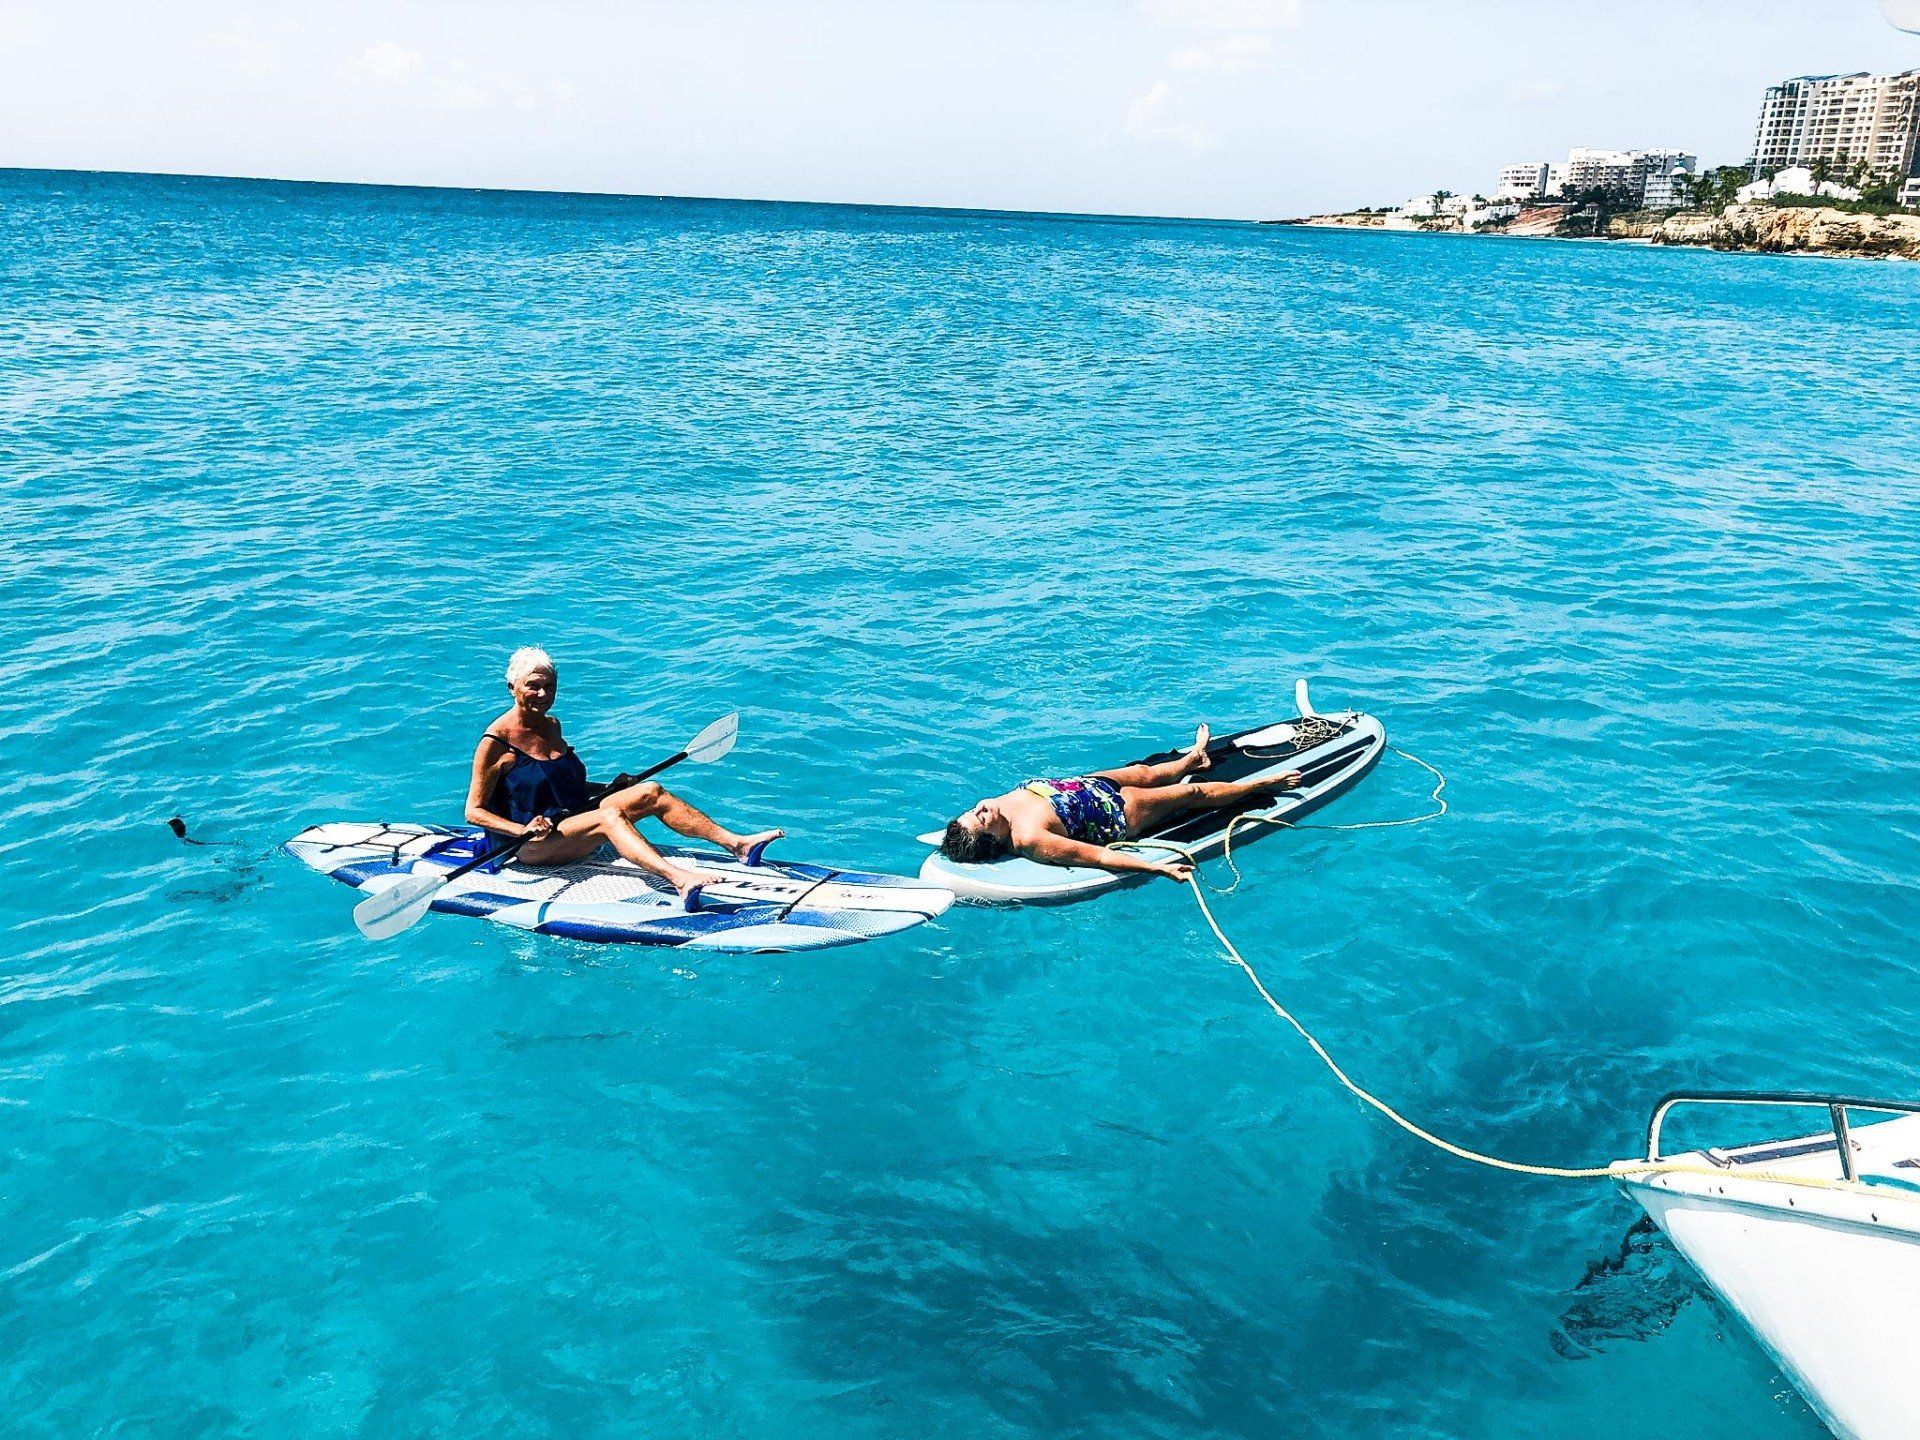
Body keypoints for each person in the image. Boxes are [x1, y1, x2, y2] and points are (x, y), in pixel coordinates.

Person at [465, 647, 782, 907]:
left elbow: (559, 785)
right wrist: (522, 829)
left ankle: (737, 844)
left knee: (651, 791)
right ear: (512, 688)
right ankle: (678, 879)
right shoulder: (495, 743)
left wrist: (609, 788)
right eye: (533, 685)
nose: (542, 693)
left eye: (549, 686)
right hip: (533, 845)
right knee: (609, 815)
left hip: (572, 821)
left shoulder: (552, 726)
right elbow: (474, 811)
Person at [939, 725, 1301, 883]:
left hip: (1083, 787)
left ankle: (1191, 760)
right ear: (995, 839)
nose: (981, 810)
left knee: (1147, 770)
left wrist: (961, 833)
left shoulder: (995, 809)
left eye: (974, 812)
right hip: (1118, 812)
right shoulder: (1031, 838)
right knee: (1191, 796)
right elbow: (1097, 857)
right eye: (981, 820)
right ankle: (1261, 784)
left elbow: (967, 830)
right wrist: (1157, 868)